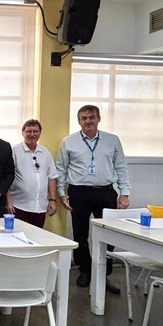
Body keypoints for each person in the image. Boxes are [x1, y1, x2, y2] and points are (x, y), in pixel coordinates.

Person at [56, 104, 130, 294]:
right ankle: (85, 270)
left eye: (91, 117)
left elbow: (121, 167)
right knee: (80, 234)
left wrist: (124, 193)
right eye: (84, 118)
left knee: (108, 234)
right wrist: (62, 193)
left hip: (105, 192)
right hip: (79, 192)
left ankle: (103, 273)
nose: (88, 121)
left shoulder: (112, 140)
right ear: (79, 121)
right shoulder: (68, 142)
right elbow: (61, 169)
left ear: (98, 118)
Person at [5, 119, 58, 228]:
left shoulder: (45, 153)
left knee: (36, 236)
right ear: (22, 132)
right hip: (17, 206)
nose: (32, 134)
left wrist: (52, 200)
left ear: (40, 133)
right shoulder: (14, 151)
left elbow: (51, 177)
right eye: (29, 131)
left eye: (35, 131)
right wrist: (8, 202)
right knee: (17, 235)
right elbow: (6, 177)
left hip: (40, 207)